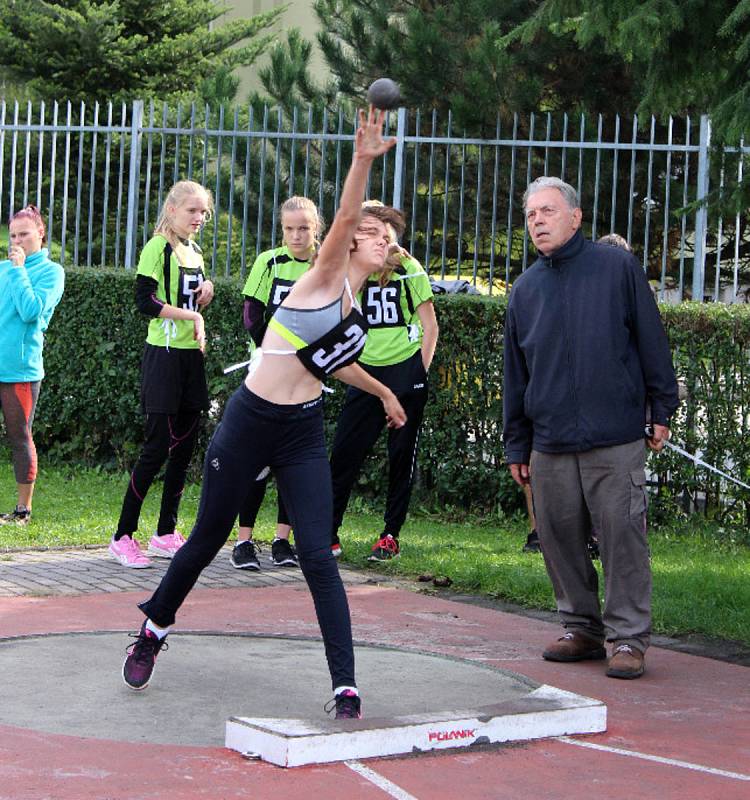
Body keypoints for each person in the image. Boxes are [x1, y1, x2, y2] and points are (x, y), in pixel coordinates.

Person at [121, 107, 406, 720]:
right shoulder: (324, 274)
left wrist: (383, 392)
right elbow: (351, 216)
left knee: (317, 555)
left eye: (392, 237)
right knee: (205, 540)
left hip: (302, 431)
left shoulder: (357, 299)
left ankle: (345, 685)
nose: (391, 243)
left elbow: (324, 364)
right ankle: (152, 629)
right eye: (381, 234)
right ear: (353, 237)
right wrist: (360, 161)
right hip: (250, 423)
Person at [503, 176, 679, 680]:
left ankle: (628, 639)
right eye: (531, 213)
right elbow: (516, 372)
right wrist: (517, 441)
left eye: (548, 211)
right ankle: (582, 627)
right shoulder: (525, 290)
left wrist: (661, 407)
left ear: (575, 217)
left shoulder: (616, 267)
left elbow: (651, 340)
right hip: (549, 441)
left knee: (623, 537)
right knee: (558, 538)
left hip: (616, 437)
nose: (537, 220)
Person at [109, 181, 215, 568]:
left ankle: (166, 532)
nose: (199, 218)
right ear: (171, 210)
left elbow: (191, 293)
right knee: (156, 449)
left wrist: (207, 287)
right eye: (192, 210)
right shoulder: (158, 247)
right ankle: (122, 536)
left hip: (191, 358)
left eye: (203, 212)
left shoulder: (195, 251)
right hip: (164, 358)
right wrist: (192, 314)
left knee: (183, 450)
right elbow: (145, 301)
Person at [329, 202, 438, 560]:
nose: (379, 238)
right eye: (369, 231)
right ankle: (328, 533)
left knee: (401, 457)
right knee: (344, 454)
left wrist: (417, 374)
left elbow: (430, 327)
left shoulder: (408, 267)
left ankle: (390, 535)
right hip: (364, 373)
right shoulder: (352, 268)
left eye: (383, 232)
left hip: (404, 371)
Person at [520, 231, 634, 559]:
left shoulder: (624, 297)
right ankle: (543, 532)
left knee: (607, 490)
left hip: (607, 422)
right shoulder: (555, 289)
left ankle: (596, 538)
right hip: (554, 414)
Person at [230, 196, 323, 571]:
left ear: (316, 227)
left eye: (304, 228)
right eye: (289, 228)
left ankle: (283, 541)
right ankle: (244, 541)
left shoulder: (324, 263)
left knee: (292, 458)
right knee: (257, 458)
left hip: (308, 374)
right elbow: (252, 312)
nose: (296, 235)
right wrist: (277, 350)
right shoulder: (269, 262)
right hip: (268, 368)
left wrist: (309, 357)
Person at [0, 206, 65, 525]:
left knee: (19, 436)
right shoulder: (3, 269)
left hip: (20, 369)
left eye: (24, 234)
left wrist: (18, 269)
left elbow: (30, 311)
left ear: (41, 233)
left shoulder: (51, 272)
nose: (18, 241)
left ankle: (23, 510)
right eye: (12, 235)